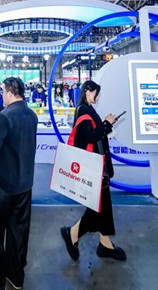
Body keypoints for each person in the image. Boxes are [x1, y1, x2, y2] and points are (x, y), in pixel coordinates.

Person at [0, 77, 38, 290]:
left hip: (1, 187)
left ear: (11, 92)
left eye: (3, 92)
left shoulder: (4, 117)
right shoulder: (31, 115)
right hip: (24, 184)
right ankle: (15, 276)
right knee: (18, 234)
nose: (1, 96)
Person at [60, 80, 126, 262]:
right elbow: (90, 136)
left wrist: (106, 124)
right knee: (97, 207)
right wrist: (106, 123)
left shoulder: (87, 109)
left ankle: (104, 243)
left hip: (97, 166)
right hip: (93, 167)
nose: (97, 96)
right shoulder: (84, 110)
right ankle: (72, 234)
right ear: (88, 92)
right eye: (96, 93)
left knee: (102, 206)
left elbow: (96, 133)